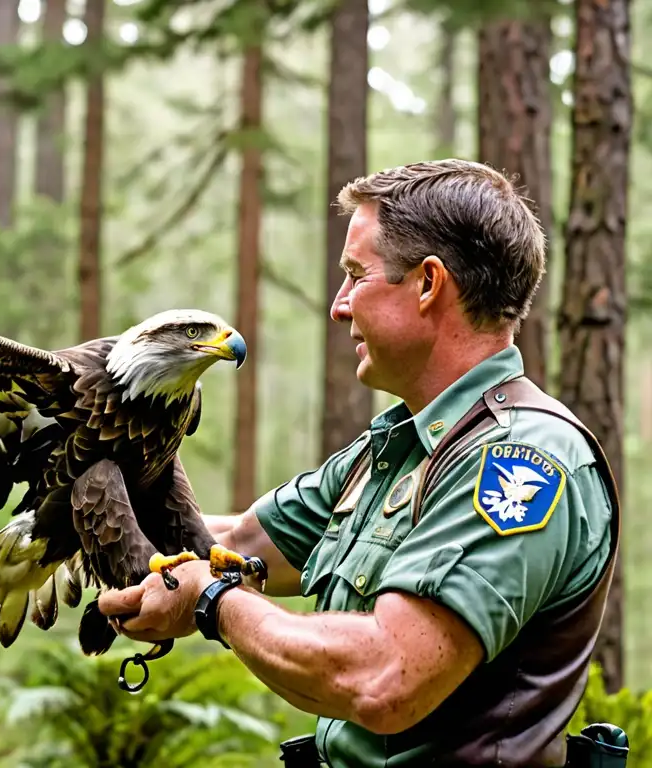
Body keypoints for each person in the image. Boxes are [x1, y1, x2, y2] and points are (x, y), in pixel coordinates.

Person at [97, 159, 620, 767]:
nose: (338, 307)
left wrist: (210, 602)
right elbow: (236, 543)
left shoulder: (519, 462)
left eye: (355, 276)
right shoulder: (397, 447)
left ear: (428, 284)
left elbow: (389, 675)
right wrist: (73, 538)